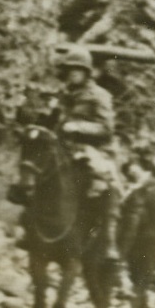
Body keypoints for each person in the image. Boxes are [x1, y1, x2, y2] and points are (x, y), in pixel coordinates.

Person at [49, 45, 122, 262]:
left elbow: (107, 128)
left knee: (106, 181)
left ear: (87, 72)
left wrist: (77, 126)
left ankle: (109, 239)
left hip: (96, 149)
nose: (73, 74)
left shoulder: (100, 95)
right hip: (66, 147)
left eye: (78, 70)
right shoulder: (62, 95)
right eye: (70, 70)